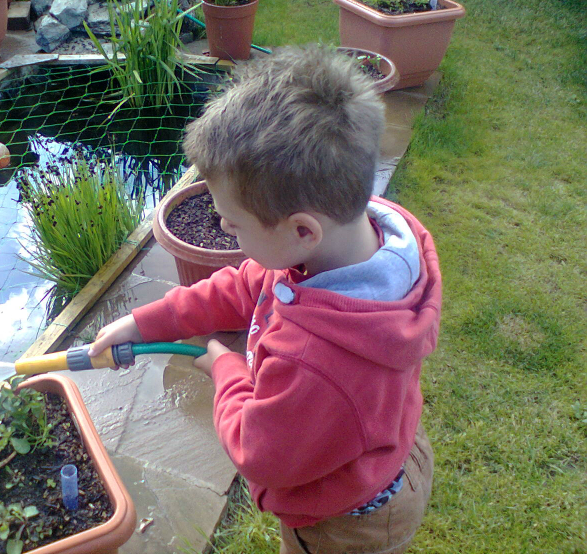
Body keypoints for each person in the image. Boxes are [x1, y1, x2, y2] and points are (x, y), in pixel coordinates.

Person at [89, 45, 442, 554]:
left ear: (302, 231)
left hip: (344, 521)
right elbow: (244, 283)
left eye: (232, 222)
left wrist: (224, 369)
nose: (223, 227)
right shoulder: (363, 241)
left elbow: (260, 453)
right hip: (382, 454)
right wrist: (147, 323)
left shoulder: (317, 363)